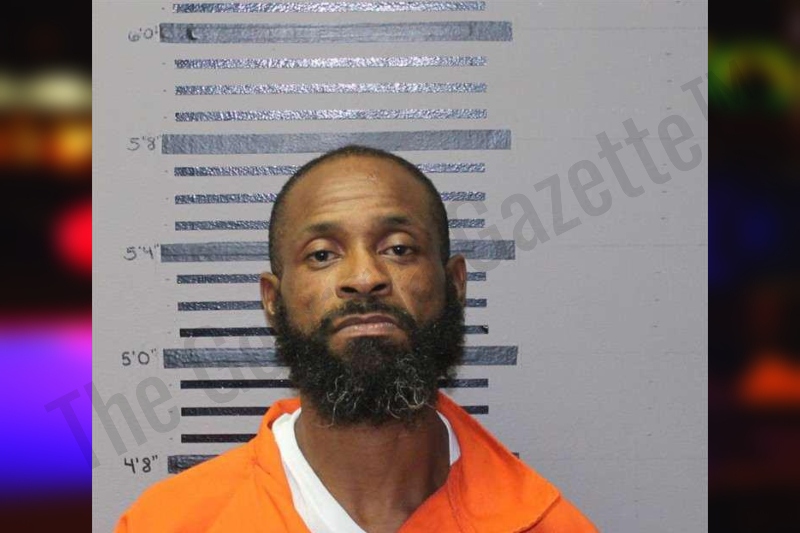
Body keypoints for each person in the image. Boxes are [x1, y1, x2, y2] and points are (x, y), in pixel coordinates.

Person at [114, 145, 598, 532]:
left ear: (455, 284)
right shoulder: (169, 523)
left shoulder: (547, 524)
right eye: (322, 255)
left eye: (399, 249)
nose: (365, 277)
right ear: (273, 300)